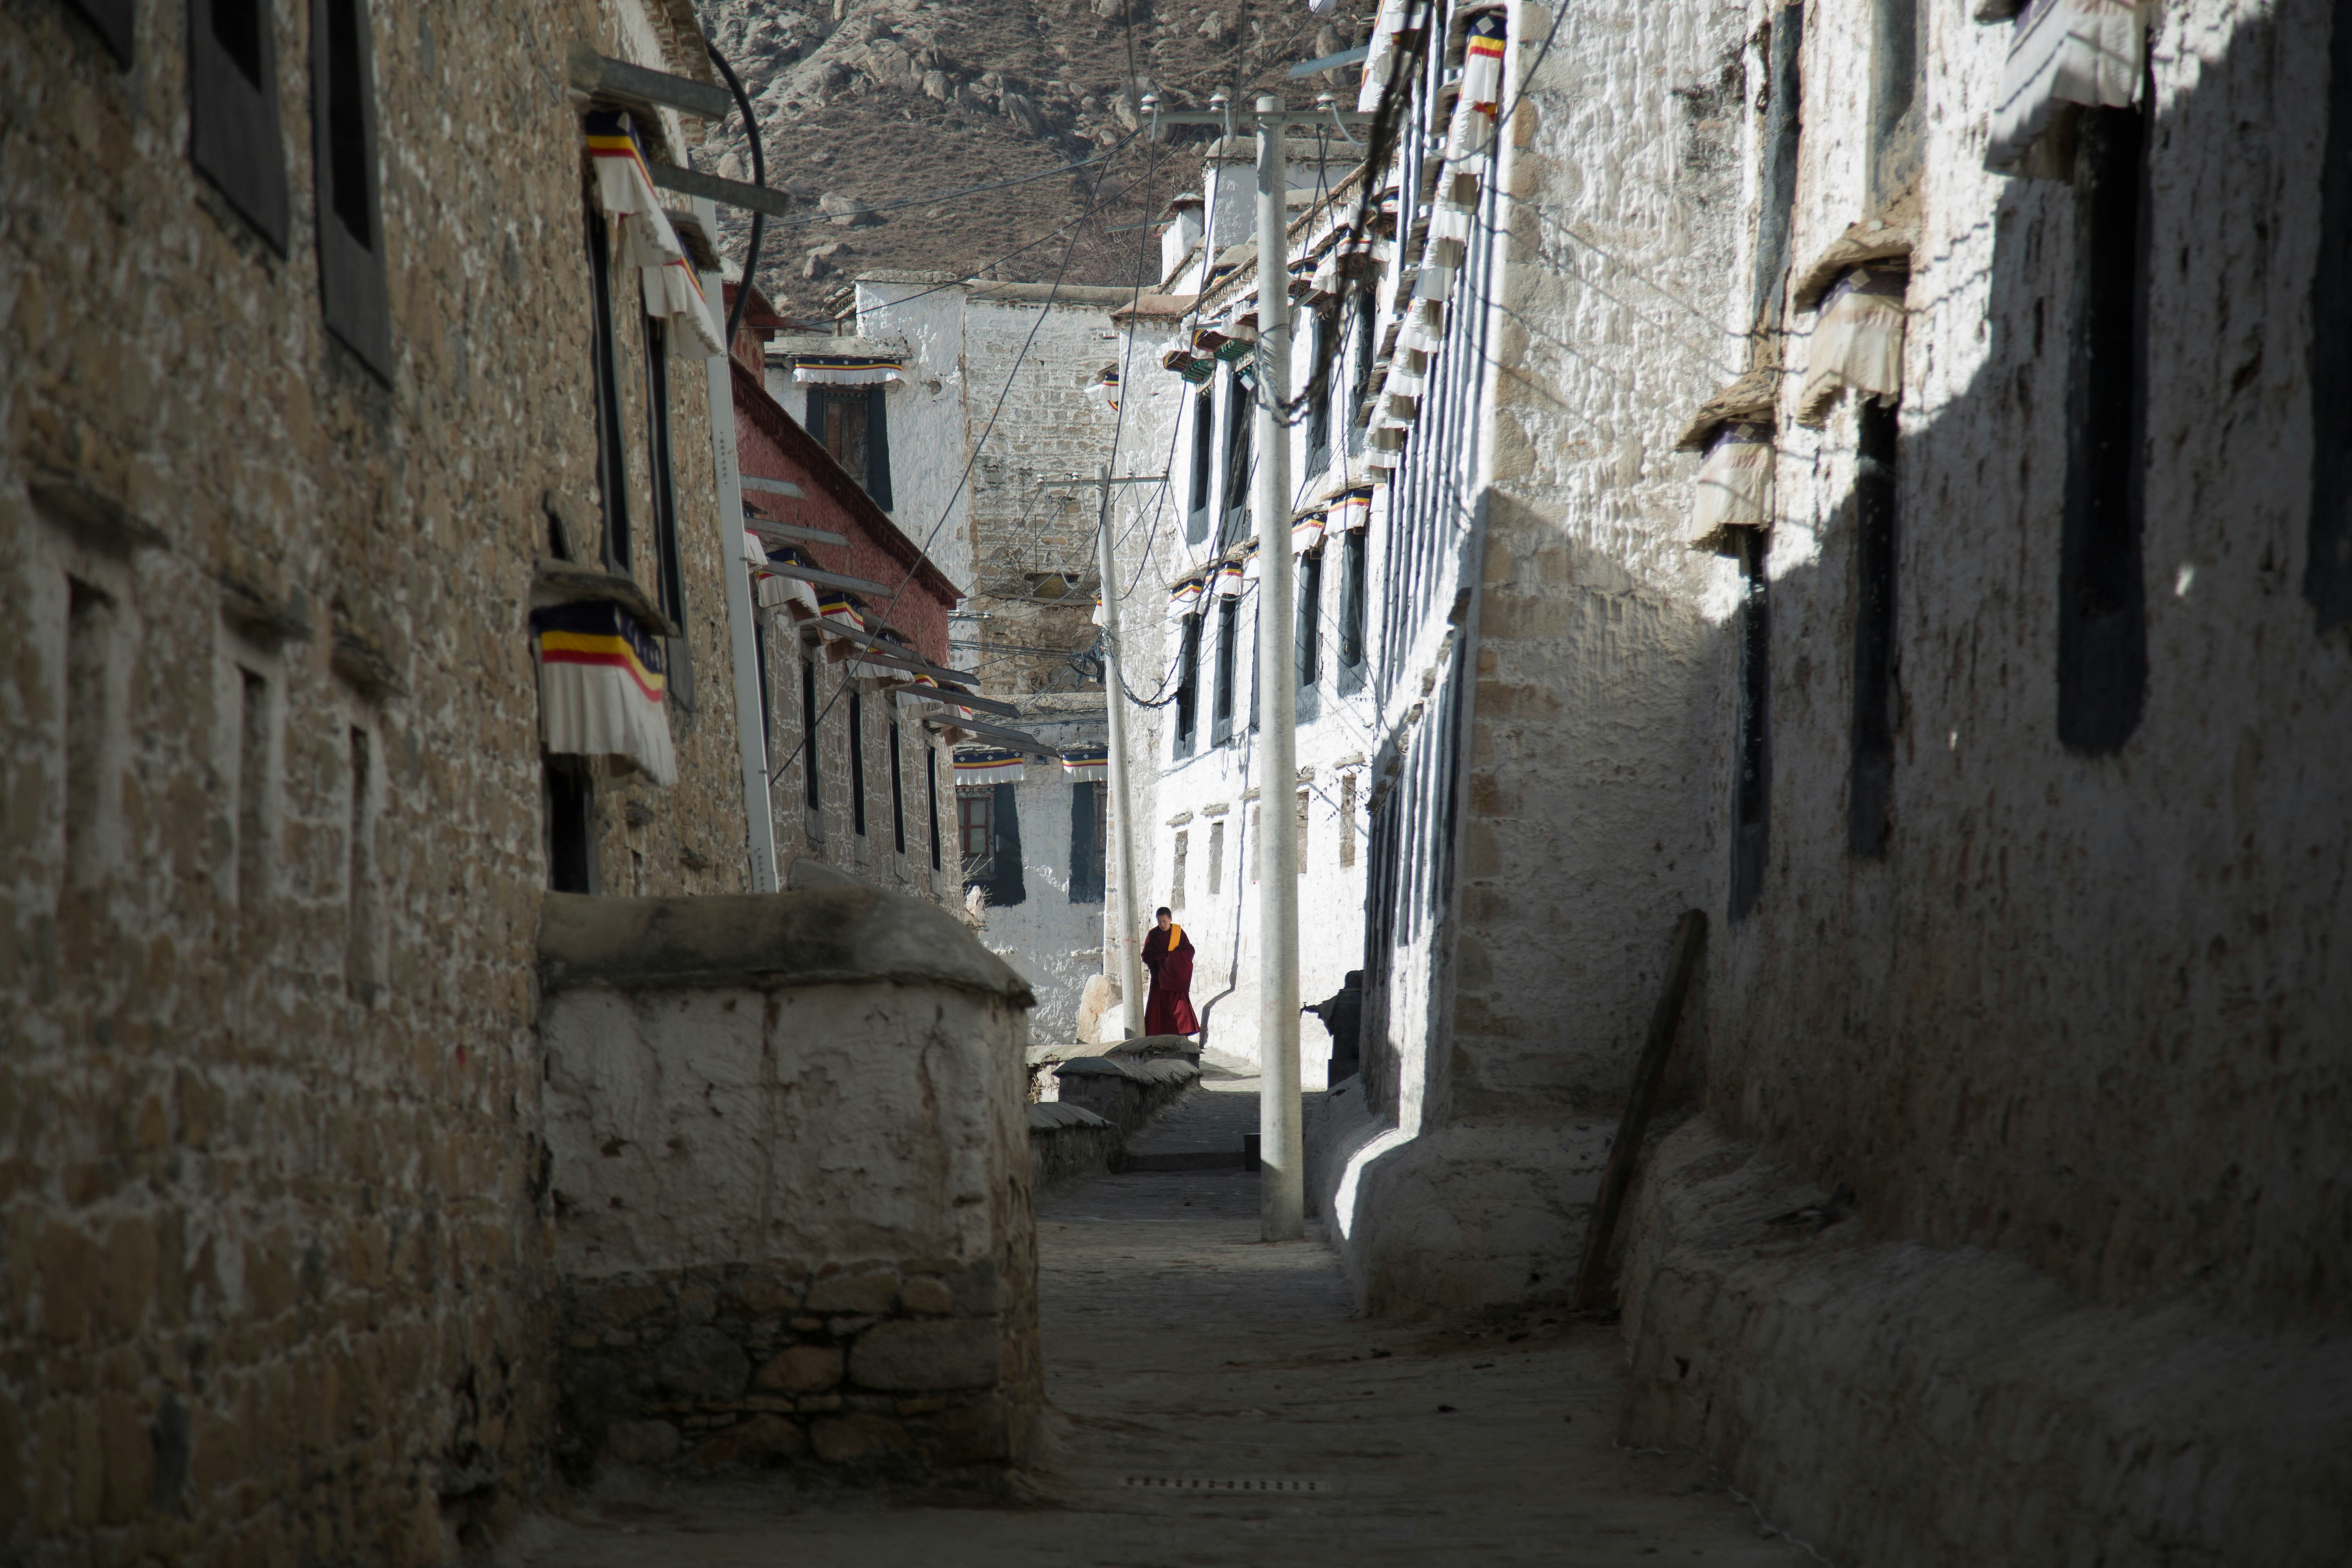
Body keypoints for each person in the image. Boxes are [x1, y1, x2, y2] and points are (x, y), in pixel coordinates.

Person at [1136, 906, 1199, 1038]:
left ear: (1170, 919)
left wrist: (1170, 958)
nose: (1162, 924)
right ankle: (1157, 1038)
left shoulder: (1178, 933)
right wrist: (1160, 960)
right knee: (1158, 1011)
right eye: (1159, 922)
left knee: (1180, 1008)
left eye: (1164, 921)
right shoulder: (1153, 935)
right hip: (1160, 980)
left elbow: (1190, 951)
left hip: (1176, 979)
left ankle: (1182, 1035)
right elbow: (1146, 956)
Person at [1304, 970, 1364, 1080]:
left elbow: (1321, 1008)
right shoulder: (1365, 1000)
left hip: (1342, 1047)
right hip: (1360, 1045)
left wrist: (1307, 1008)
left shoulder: (1339, 1000)